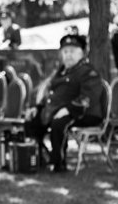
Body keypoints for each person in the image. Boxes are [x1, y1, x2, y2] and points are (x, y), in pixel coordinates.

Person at [24, 34, 103, 173]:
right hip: (57, 110)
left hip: (85, 113)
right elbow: (51, 94)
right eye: (65, 52)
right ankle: (40, 157)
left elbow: (88, 97)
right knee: (32, 121)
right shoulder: (60, 72)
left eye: (72, 51)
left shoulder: (87, 72)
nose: (68, 55)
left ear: (81, 54)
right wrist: (38, 108)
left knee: (59, 123)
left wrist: (68, 109)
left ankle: (58, 163)